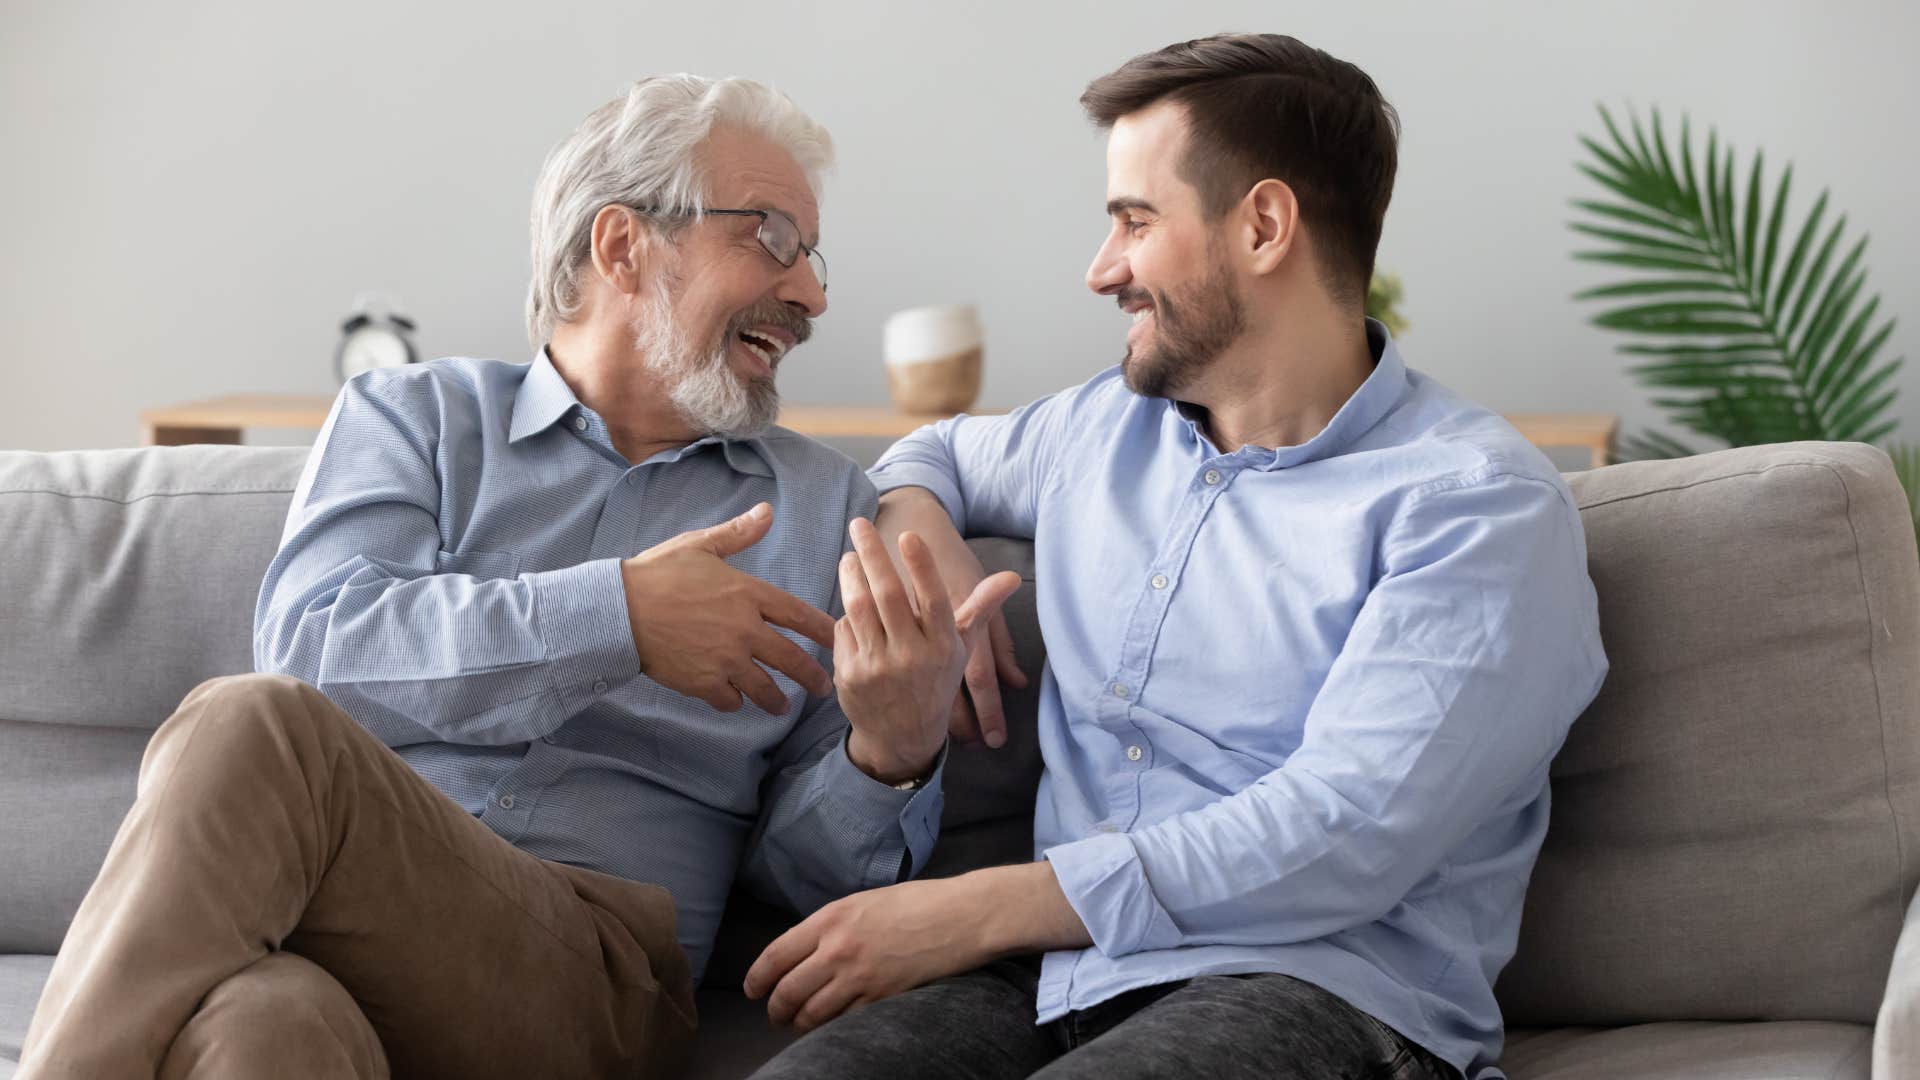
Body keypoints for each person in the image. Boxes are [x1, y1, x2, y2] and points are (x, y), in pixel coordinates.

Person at [19, 74, 1014, 1080]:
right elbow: (316, 645)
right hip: (337, 925)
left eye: (811, 255)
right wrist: (616, 617)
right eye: (770, 237)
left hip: (594, 973)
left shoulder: (822, 509)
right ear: (622, 245)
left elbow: (807, 889)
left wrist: (890, 751)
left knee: (248, 726)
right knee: (262, 1024)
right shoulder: (414, 419)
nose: (812, 294)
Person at [743, 34, 1607, 1080]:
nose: (1101, 269)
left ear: (1264, 226)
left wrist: (973, 910)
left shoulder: (1474, 507)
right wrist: (930, 540)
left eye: (1134, 222)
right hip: (1059, 976)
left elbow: (1346, 828)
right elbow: (929, 452)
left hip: (1322, 993)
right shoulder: (1100, 430)